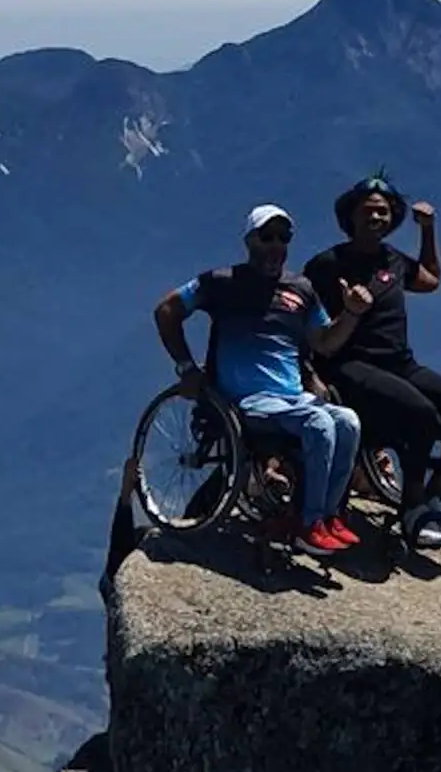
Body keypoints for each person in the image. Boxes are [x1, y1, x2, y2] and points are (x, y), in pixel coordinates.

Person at [153, 203, 375, 556]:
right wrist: (186, 368)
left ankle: (329, 516)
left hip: (290, 398)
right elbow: (167, 310)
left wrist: (352, 313)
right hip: (244, 402)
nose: (276, 245)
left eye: (283, 238)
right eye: (266, 237)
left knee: (347, 421)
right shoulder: (222, 282)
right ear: (249, 241)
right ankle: (308, 523)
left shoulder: (301, 289)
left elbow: (325, 342)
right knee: (319, 423)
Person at [304, 174, 441, 548]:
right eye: (370, 211)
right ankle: (412, 508)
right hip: (349, 366)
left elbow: (431, 279)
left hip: (399, 363)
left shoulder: (394, 260)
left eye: (385, 212)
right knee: (421, 413)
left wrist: (428, 231)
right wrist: (310, 372)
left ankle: (436, 491)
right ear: (351, 216)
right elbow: (304, 323)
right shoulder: (327, 265)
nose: (378, 217)